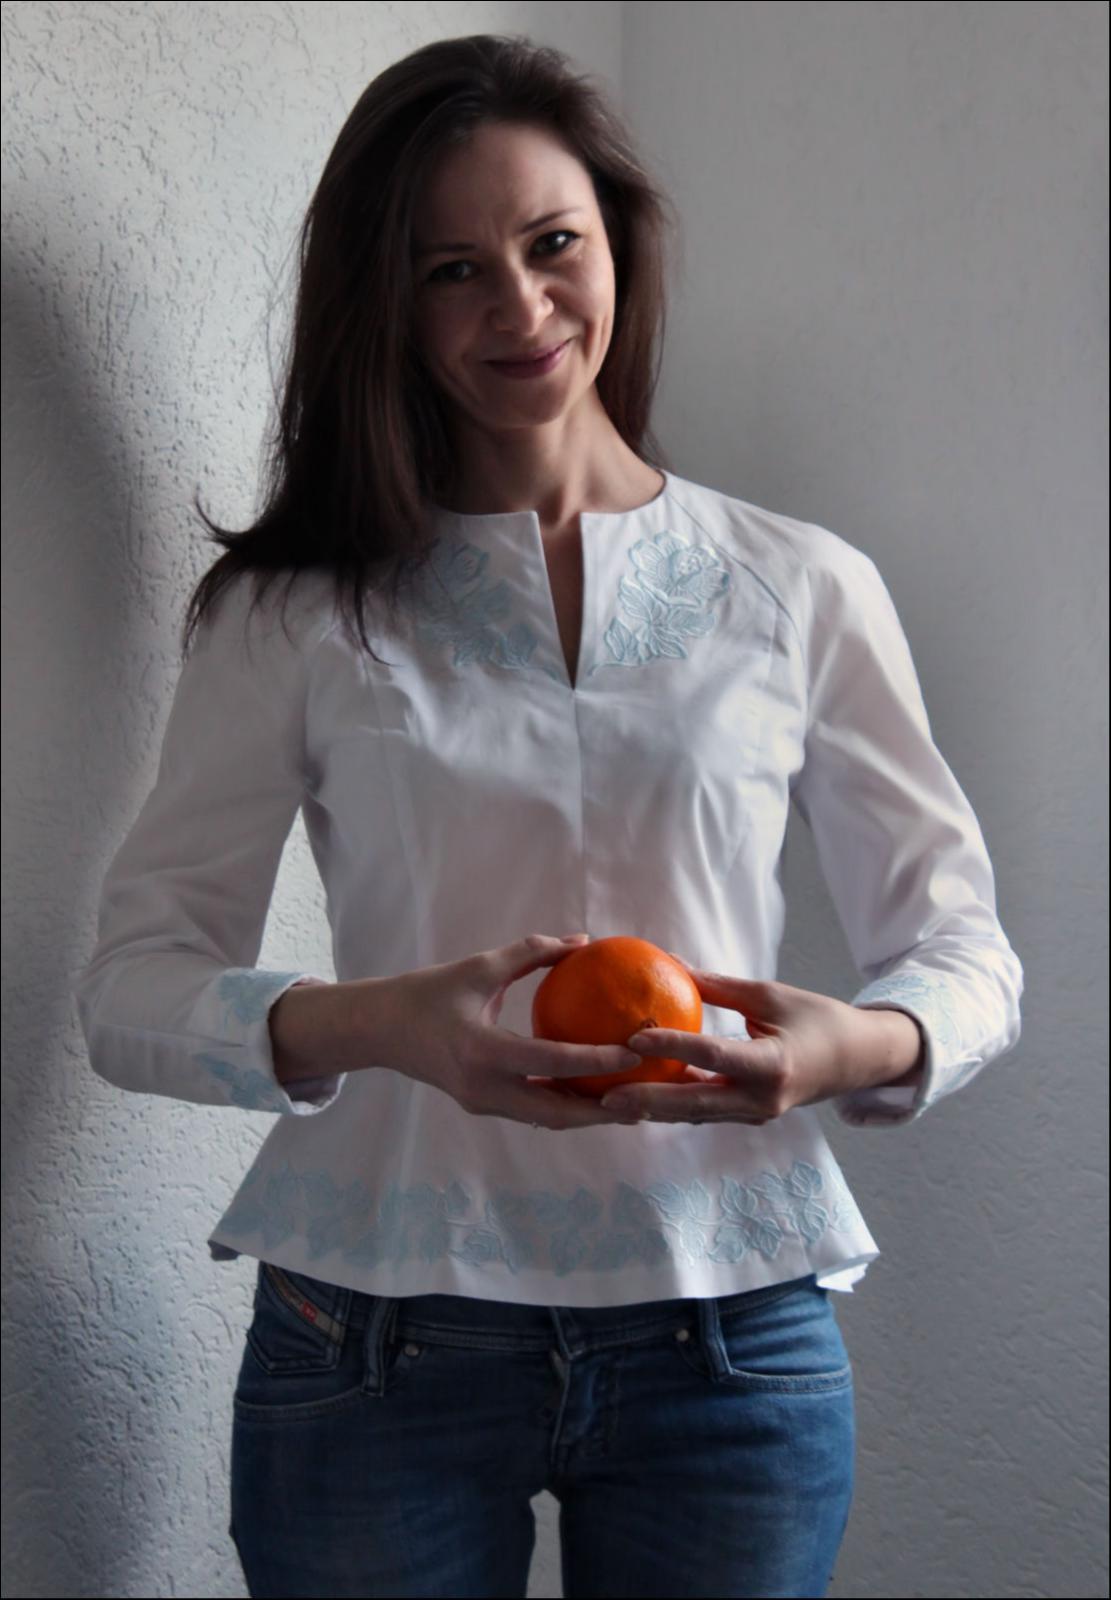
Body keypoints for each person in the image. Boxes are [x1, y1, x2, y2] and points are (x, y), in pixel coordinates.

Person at [73, 32, 1024, 1600]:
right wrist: (384, 1025)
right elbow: (130, 989)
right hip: (370, 1341)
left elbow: (966, 950)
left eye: (550, 244)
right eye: (451, 270)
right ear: (386, 304)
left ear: (618, 245)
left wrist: (848, 1047)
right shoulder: (291, 614)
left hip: (732, 1336)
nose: (519, 309)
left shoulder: (802, 588)